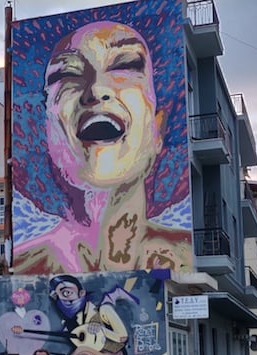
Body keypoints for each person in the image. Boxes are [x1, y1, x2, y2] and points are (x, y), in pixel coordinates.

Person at [12, 20, 192, 274]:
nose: (96, 89)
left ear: (157, 129)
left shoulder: (187, 259)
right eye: (67, 74)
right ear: (46, 132)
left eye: (125, 65)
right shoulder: (25, 267)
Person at [49, 275, 131, 355]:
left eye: (66, 293)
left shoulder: (104, 310)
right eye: (58, 296)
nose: (64, 300)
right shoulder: (78, 318)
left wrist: (102, 330)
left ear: (81, 293)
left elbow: (123, 337)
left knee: (81, 350)